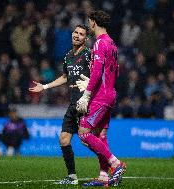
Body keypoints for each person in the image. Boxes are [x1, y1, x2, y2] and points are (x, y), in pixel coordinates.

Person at [29, 25, 91, 185]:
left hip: (86, 104)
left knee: (88, 141)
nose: (77, 36)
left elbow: (98, 76)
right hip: (73, 104)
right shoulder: (68, 56)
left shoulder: (89, 55)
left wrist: (89, 93)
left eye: (81, 34)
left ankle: (112, 166)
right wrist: (45, 86)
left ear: (86, 38)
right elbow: (65, 77)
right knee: (64, 139)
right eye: (76, 32)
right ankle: (72, 177)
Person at [75, 10, 126, 187]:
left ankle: (116, 164)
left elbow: (97, 71)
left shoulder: (99, 43)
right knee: (101, 135)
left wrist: (88, 93)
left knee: (84, 133)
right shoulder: (112, 44)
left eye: (89, 22)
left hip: (101, 95)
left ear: (94, 23)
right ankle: (104, 177)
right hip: (110, 93)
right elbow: (116, 71)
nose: (89, 25)